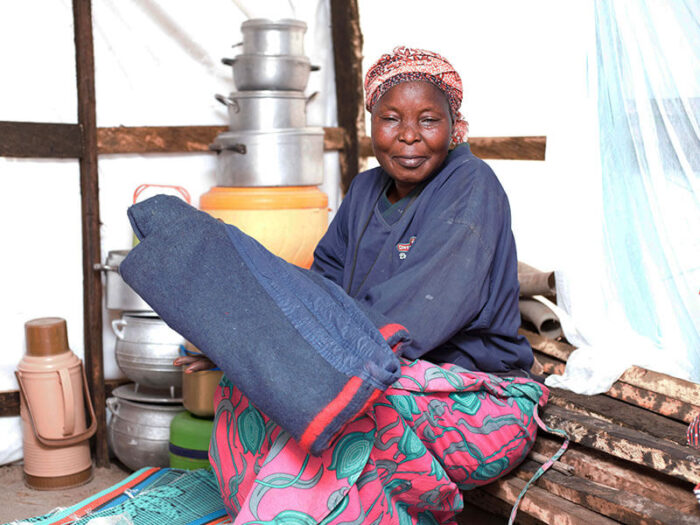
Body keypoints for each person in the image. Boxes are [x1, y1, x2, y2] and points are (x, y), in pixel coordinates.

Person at [137, 47, 553, 524]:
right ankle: (269, 508)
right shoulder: (363, 191)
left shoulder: (472, 185)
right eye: (391, 118)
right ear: (371, 122)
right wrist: (245, 340)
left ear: (455, 127)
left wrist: (284, 348)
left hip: (474, 402)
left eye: (429, 120)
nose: (410, 136)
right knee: (249, 383)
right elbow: (318, 291)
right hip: (387, 374)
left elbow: (417, 317)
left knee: (341, 403)